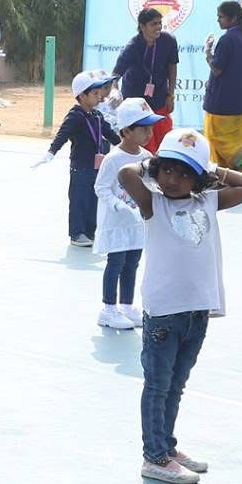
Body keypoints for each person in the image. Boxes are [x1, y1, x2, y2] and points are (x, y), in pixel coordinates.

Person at [117, 128, 242, 484]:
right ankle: (154, 456)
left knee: (176, 384)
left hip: (197, 311)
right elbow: (125, 174)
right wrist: (155, 163)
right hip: (164, 313)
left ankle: (166, 446)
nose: (172, 179)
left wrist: (211, 169)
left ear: (199, 179)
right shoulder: (154, 204)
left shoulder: (208, 201)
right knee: (158, 385)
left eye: (184, 173)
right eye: (167, 170)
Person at [95, 98, 160, 328]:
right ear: (126, 131)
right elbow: (101, 187)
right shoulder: (113, 159)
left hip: (137, 223)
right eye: (143, 128)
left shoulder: (146, 157)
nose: (149, 133)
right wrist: (118, 205)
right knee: (116, 263)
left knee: (132, 263)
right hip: (117, 223)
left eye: (150, 127)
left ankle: (126, 306)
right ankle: (108, 309)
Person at [41, 69, 121, 247]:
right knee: (79, 200)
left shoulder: (97, 115)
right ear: (82, 96)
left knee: (94, 200)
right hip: (81, 167)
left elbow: (111, 135)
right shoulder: (75, 116)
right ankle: (77, 234)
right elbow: (63, 134)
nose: (99, 97)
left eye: (99, 92)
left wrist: (127, 147)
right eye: (95, 93)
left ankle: (90, 232)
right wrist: (51, 152)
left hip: (97, 167)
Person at [201, 1, 242, 172]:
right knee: (237, 141)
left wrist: (208, 53)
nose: (218, 20)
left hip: (222, 104)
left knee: (218, 139)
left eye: (221, 17)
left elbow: (217, 69)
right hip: (241, 102)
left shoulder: (227, 39)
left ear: (232, 18)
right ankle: (232, 175)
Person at [111, 7, 178, 146]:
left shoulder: (168, 40)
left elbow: (172, 67)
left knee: (165, 143)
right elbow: (115, 75)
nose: (158, 27)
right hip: (137, 104)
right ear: (142, 26)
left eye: (160, 23)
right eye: (153, 24)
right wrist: (115, 91)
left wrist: (171, 95)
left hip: (160, 98)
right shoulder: (132, 47)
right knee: (146, 146)